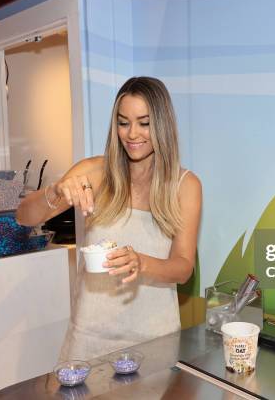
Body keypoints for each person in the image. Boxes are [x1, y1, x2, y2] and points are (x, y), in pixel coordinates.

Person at [16, 76, 202, 361]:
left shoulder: (185, 185)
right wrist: (55, 192)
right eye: (123, 122)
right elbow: (24, 216)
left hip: (155, 341)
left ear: (162, 124)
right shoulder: (94, 173)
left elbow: (182, 267)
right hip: (90, 338)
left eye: (144, 122)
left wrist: (141, 262)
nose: (132, 134)